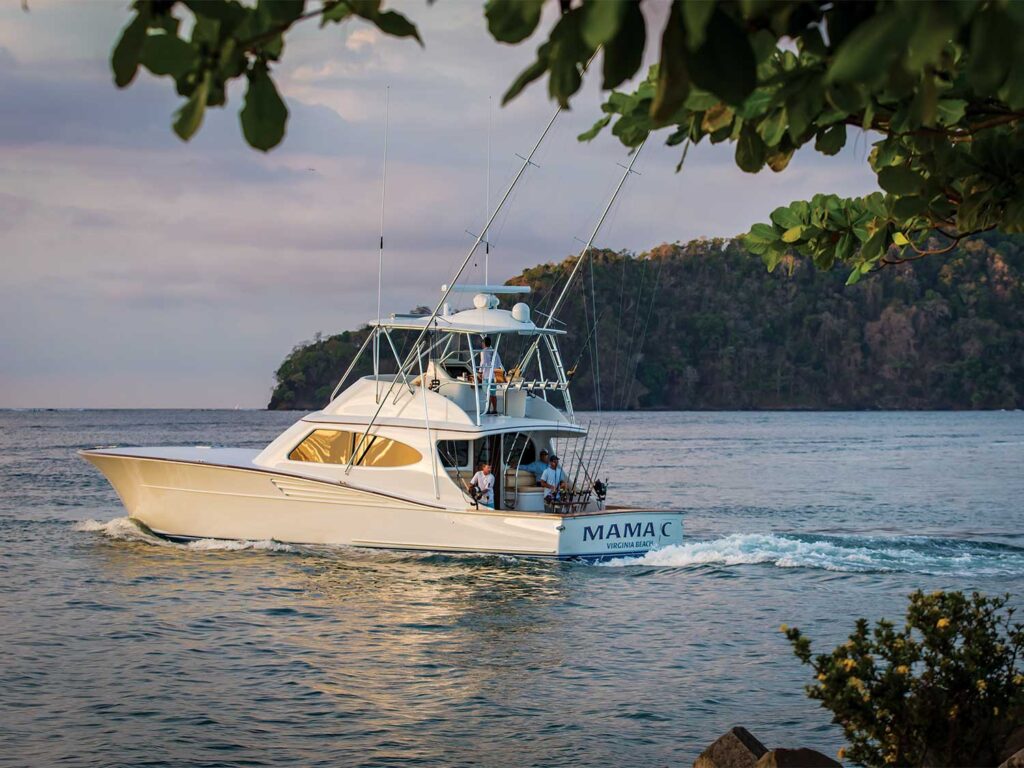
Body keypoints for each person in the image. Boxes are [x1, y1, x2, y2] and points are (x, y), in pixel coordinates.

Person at [478, 336, 502, 415]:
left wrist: (480, 373)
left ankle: (487, 409)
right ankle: (494, 409)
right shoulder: (494, 351)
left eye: (482, 342)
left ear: (484, 343)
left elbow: (483, 363)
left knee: (487, 394)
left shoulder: (483, 352)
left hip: (486, 376)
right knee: (493, 394)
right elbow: (498, 364)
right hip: (493, 376)